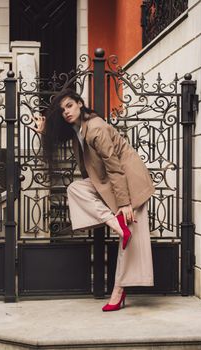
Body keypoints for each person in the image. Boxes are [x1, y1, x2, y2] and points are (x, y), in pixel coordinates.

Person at [31, 88, 155, 312]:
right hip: (107, 181)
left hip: (129, 181)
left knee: (129, 239)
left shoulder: (96, 128)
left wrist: (125, 204)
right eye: (62, 110)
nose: (66, 112)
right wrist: (44, 130)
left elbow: (115, 167)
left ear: (80, 103)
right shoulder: (78, 127)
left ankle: (118, 292)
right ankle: (117, 224)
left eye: (69, 105)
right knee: (76, 189)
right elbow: (61, 138)